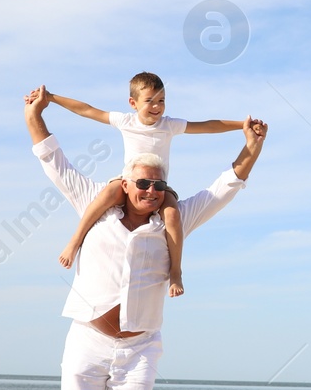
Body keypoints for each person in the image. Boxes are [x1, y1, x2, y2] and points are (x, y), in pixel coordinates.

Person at [24, 85, 267, 390]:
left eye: (158, 185)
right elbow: (54, 162)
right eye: (142, 183)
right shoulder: (95, 207)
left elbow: (225, 187)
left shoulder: (175, 220)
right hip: (88, 338)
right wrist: (35, 117)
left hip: (140, 345)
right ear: (125, 182)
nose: (150, 190)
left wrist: (252, 148)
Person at [48, 73, 245, 296]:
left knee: (172, 216)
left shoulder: (169, 125)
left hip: (159, 187)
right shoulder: (126, 121)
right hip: (129, 182)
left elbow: (208, 126)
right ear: (133, 103)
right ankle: (74, 242)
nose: (156, 107)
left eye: (161, 101)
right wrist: (52, 97)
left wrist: (242, 125)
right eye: (149, 101)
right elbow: (87, 110)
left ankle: (176, 271)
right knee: (105, 196)